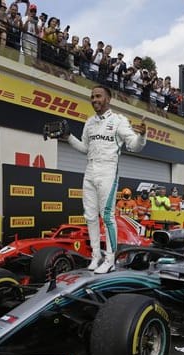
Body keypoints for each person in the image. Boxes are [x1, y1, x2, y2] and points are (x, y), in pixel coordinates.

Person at [64, 85, 146, 274]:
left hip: (108, 170)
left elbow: (135, 145)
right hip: (90, 169)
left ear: (108, 99)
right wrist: (68, 137)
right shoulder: (89, 122)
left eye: (98, 96)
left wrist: (142, 135)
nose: (94, 100)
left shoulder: (119, 120)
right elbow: (85, 147)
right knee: (90, 216)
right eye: (92, 97)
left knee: (107, 216)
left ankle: (110, 258)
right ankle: (96, 256)